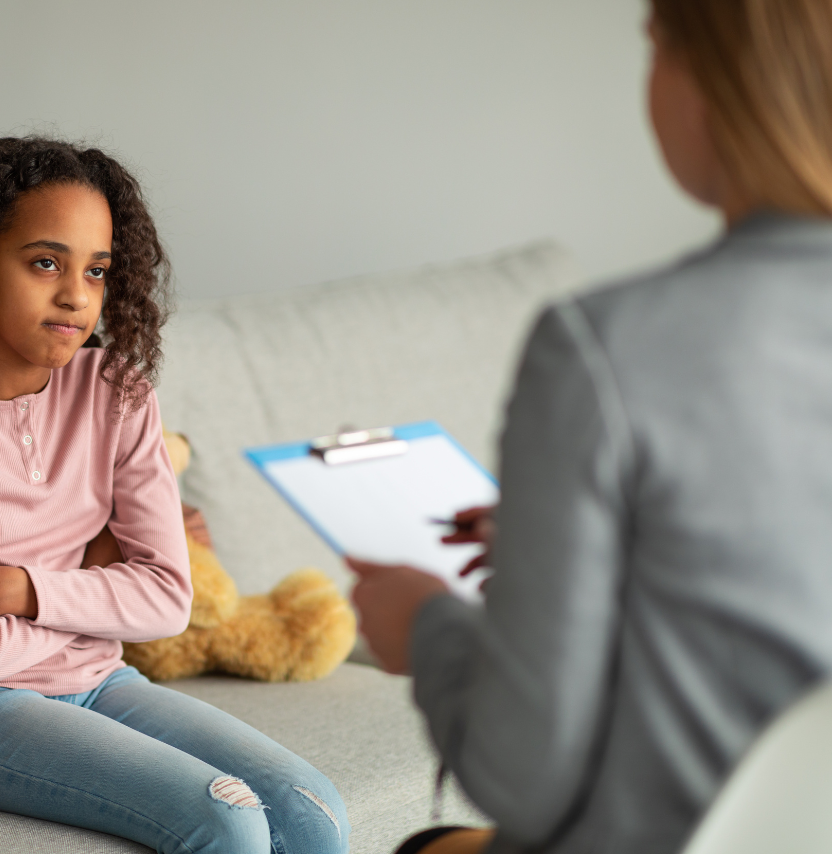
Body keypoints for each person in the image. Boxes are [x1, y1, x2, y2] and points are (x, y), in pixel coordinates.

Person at [348, 1, 832, 852]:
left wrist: (425, 624)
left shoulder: (606, 347)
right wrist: (566, 546)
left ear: (716, 78)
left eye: (656, 47)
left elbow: (518, 775)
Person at [0, 137, 349, 854]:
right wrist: (95, 604)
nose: (77, 294)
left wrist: (22, 590)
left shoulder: (117, 393)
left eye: (98, 269)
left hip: (96, 680)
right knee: (225, 820)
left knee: (311, 809)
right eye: (45, 262)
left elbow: (167, 600)